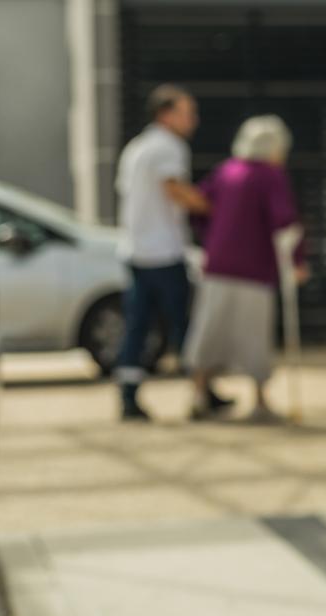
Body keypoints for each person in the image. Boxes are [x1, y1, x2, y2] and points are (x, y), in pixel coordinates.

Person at [184, 115, 308, 422]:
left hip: (217, 264)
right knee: (253, 334)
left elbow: (201, 206)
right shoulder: (269, 175)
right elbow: (285, 223)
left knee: (210, 330)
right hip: (253, 267)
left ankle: (198, 394)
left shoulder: (226, 171)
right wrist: (297, 261)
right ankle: (260, 401)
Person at [114, 84, 222, 421]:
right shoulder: (168, 147)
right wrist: (216, 208)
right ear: (166, 114)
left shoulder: (137, 147)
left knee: (137, 327)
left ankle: (128, 396)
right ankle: (201, 394)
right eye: (187, 112)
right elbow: (174, 189)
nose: (194, 120)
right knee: (184, 326)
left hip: (136, 250)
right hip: (163, 252)